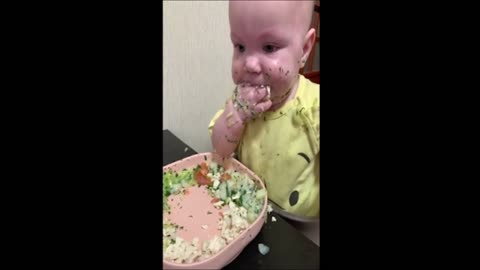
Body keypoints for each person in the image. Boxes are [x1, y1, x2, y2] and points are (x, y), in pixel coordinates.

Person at [208, 0, 319, 218]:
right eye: (240, 47)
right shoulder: (239, 104)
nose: (249, 64)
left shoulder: (314, 105)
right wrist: (237, 116)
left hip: (298, 227)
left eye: (269, 47)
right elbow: (220, 150)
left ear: (304, 49)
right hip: (246, 212)